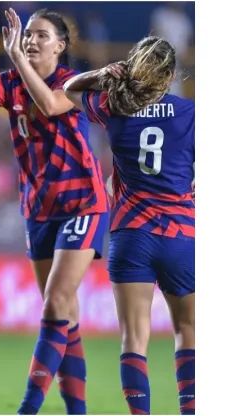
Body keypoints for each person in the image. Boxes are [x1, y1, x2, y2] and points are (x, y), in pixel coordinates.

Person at [0, 8, 109, 415]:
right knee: (65, 313)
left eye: (41, 35)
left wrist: (18, 59)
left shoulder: (73, 83)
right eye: (27, 36)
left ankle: (27, 409)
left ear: (60, 45)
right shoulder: (9, 84)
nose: (31, 41)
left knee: (56, 302)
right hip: (39, 209)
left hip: (82, 203)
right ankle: (77, 410)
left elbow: (51, 105)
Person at [63, 36, 195, 416]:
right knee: (187, 330)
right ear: (170, 76)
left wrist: (101, 73)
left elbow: (68, 89)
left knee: (133, 338)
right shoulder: (189, 113)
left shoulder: (112, 108)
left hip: (131, 232)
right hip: (180, 233)